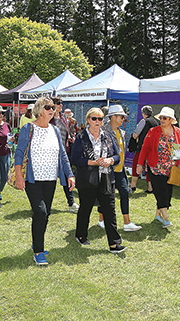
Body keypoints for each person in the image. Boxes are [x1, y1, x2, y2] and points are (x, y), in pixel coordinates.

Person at [14, 97, 75, 266]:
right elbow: (19, 153)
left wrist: (69, 174)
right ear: (40, 110)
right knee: (40, 212)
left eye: (52, 107)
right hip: (33, 179)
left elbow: (62, 154)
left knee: (46, 213)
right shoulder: (28, 128)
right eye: (48, 107)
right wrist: (19, 176)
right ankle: (38, 252)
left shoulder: (55, 130)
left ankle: (37, 241)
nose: (52, 109)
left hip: (50, 179)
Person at [71, 107, 126, 253]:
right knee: (85, 209)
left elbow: (117, 156)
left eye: (100, 119)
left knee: (110, 211)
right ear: (88, 120)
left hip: (106, 178)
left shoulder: (107, 136)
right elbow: (75, 159)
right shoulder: (81, 137)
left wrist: (109, 160)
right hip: (87, 179)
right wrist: (93, 163)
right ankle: (81, 235)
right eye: (94, 118)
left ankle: (114, 244)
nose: (97, 121)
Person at [136, 107, 180, 227]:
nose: (162, 119)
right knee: (161, 192)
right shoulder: (153, 131)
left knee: (167, 193)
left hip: (171, 169)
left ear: (171, 119)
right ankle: (166, 219)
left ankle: (157, 215)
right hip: (155, 167)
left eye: (164, 118)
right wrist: (140, 164)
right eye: (160, 117)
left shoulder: (178, 132)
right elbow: (145, 148)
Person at [99, 105, 142, 232]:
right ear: (113, 117)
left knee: (125, 193)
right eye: (121, 116)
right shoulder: (103, 131)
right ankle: (101, 219)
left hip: (120, 170)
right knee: (107, 196)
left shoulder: (121, 132)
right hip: (108, 170)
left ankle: (127, 222)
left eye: (124, 116)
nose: (123, 118)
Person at [49, 96, 79, 213]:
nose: (61, 105)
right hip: (50, 153)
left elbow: (65, 133)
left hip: (63, 153)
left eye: (61, 103)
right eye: (58, 103)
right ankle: (47, 204)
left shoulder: (63, 118)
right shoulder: (48, 118)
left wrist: (70, 139)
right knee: (50, 180)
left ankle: (71, 203)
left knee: (68, 177)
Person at [131, 105, 160, 193]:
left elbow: (135, 135)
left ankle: (133, 185)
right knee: (149, 168)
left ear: (143, 113)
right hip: (153, 149)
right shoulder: (156, 122)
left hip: (142, 148)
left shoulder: (144, 121)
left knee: (136, 164)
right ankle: (151, 188)